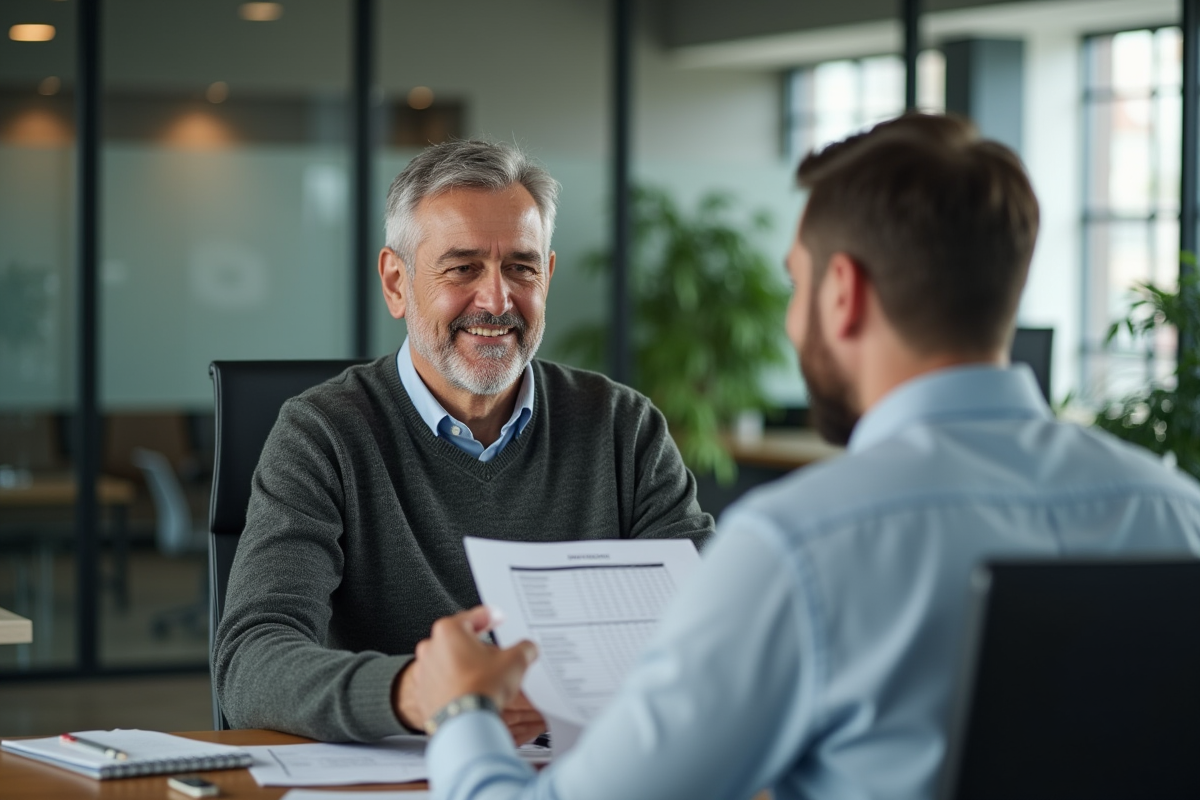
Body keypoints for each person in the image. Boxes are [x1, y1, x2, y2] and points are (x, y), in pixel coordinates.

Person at [409, 114, 1200, 800]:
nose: (789, 323)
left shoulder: (801, 546)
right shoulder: (1176, 511)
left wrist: (464, 713)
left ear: (842, 294)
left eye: (796, 285)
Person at [212, 140, 713, 743]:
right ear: (397, 283)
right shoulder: (323, 434)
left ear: (546, 278)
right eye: (462, 267)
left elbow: (712, 627)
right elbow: (248, 664)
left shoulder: (623, 428)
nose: (497, 300)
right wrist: (416, 694)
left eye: (522, 268)